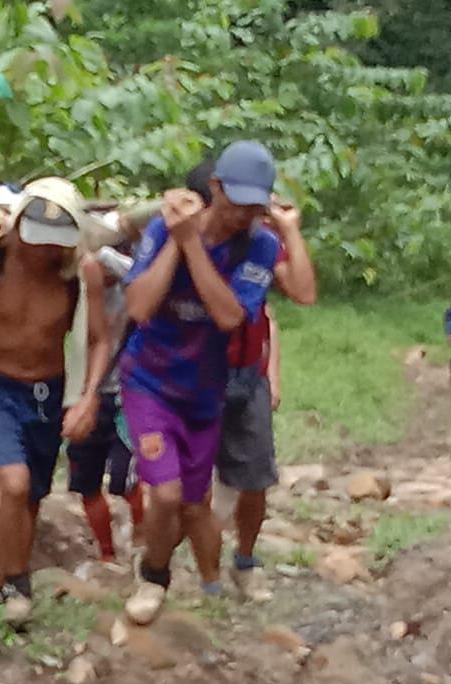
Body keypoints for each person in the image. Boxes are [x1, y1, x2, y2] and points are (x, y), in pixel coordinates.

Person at [0, 177, 111, 625]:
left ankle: (9, 580)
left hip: (48, 394)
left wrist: (87, 398)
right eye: (36, 239)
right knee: (12, 483)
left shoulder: (79, 273)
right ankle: (15, 582)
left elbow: (98, 339)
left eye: (55, 242)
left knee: (30, 495)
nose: (43, 250)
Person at [120, 141, 280, 624]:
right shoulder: (159, 229)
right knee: (164, 495)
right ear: (214, 189)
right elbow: (140, 307)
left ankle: (207, 578)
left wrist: (193, 244)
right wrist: (177, 238)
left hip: (205, 394)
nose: (243, 215)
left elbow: (230, 316)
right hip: (149, 382)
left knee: (194, 502)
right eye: (235, 203)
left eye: (255, 207)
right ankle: (153, 576)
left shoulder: (261, 245)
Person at [183, 158, 317, 601]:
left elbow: (299, 294)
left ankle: (245, 559)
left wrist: (290, 229)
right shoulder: (179, 239)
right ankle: (205, 573)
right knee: (191, 482)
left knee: (255, 477)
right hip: (191, 372)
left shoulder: (260, 244)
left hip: (244, 375)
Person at [67, 243, 144, 563]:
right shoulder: (74, 293)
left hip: (127, 395)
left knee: (126, 480)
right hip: (83, 395)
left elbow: (140, 274)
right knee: (86, 483)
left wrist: (105, 259)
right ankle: (107, 554)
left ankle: (143, 540)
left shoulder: (134, 291)